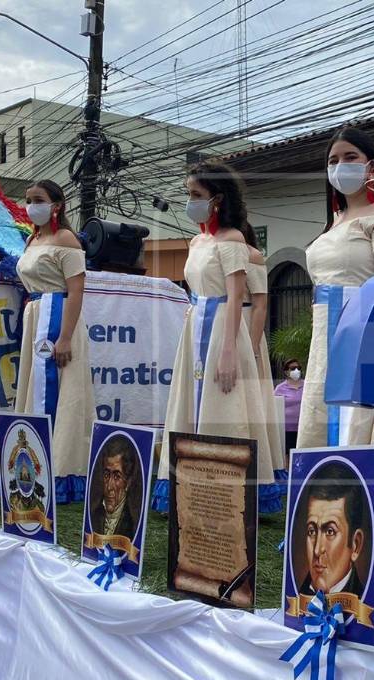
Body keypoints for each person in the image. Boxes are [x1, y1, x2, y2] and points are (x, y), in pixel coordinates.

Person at [152, 161, 281, 511]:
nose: (190, 201)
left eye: (197, 195)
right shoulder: (197, 241)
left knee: (225, 406)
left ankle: (224, 492)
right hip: (195, 324)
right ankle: (188, 484)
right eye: (188, 194)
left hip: (223, 325)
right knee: (190, 406)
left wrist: (229, 352)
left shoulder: (233, 240)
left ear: (218, 199)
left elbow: (239, 296)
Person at [298, 127, 374, 450]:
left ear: (371, 166)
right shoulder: (335, 219)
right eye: (333, 160)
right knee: (322, 420)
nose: (340, 165)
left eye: (350, 157)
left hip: (366, 329)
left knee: (359, 425)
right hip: (326, 334)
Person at [13, 179, 95, 505]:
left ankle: (62, 470)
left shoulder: (67, 240)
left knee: (64, 394)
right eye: (29, 199)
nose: (32, 205)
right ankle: (31, 460)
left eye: (39, 199)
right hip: (36, 315)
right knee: (36, 391)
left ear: (56, 204)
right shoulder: (32, 240)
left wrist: (64, 337)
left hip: (58, 317)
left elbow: (76, 290)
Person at [244, 245, 287, 512]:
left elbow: (260, 302)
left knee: (254, 405)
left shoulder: (252, 257)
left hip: (246, 330)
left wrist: (251, 348)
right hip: (211, 328)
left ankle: (260, 476)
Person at [298, 461, 367, 596]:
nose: (317, 550)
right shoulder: (297, 594)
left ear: (356, 545)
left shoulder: (365, 599)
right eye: (311, 531)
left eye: (330, 532)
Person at [89, 434, 140, 541]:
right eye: (106, 475)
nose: (109, 487)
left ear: (128, 482)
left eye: (117, 476)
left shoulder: (132, 523)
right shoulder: (94, 515)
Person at [275, 359, 304, 454]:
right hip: (287, 429)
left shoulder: (307, 385)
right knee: (287, 453)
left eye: (298, 368)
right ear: (286, 371)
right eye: (293, 368)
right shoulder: (280, 388)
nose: (296, 371)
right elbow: (275, 406)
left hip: (303, 427)